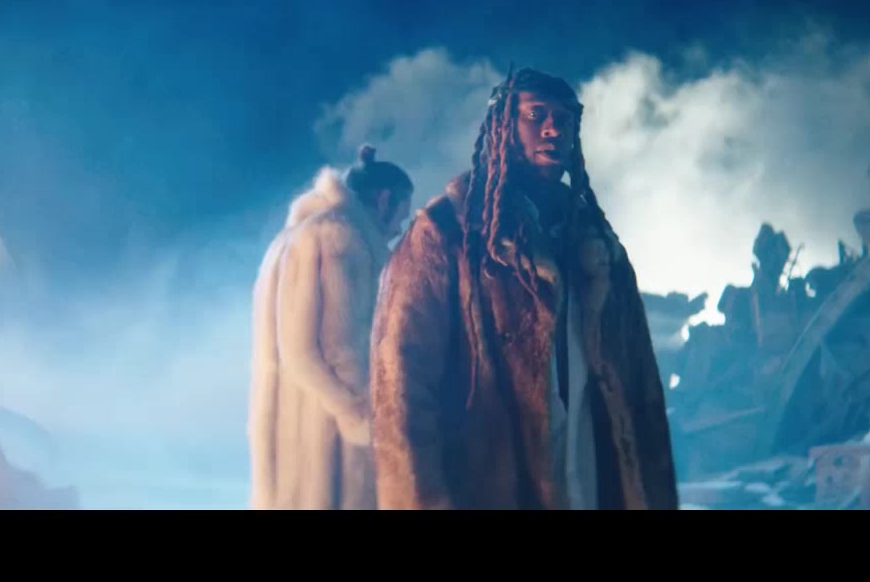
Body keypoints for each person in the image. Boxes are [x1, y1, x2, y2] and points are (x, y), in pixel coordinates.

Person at [369, 67, 678, 510]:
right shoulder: (448, 232)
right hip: (488, 484)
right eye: (536, 115)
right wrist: (420, 498)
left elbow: (640, 385)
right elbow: (401, 381)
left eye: (564, 119)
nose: (553, 129)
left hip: (589, 472)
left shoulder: (597, 243)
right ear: (504, 127)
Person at [248, 144, 413, 509]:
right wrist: (366, 418)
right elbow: (334, 347)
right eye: (401, 215)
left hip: (295, 436)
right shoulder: (341, 240)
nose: (399, 228)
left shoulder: (292, 239)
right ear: (384, 199)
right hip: (333, 441)